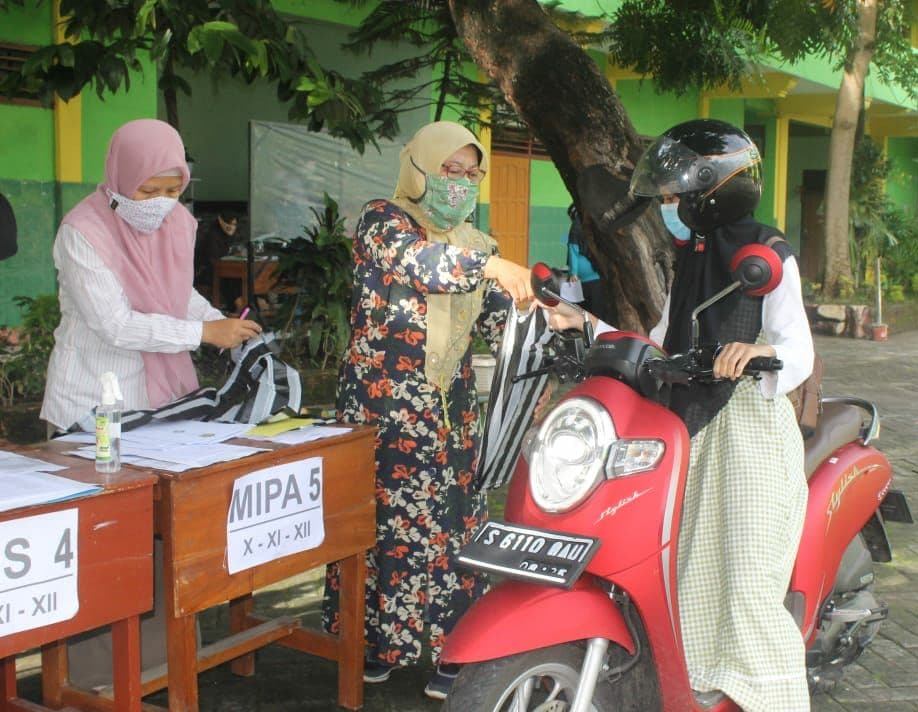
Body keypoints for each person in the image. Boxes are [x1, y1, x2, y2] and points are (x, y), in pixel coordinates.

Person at [543, 119, 814, 711]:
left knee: (745, 577)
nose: (668, 208)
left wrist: (759, 352)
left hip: (748, 428)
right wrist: (586, 326)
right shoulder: (691, 256)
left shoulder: (767, 254)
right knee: (682, 561)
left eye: (673, 197)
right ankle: (691, 678)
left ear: (711, 192)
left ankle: (772, 695)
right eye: (665, 198)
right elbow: (662, 342)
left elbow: (798, 351)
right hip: (687, 423)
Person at [321, 120, 533, 700]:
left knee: (452, 526)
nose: (460, 184)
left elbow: (495, 318)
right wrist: (491, 267)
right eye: (449, 170)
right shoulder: (382, 221)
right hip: (382, 408)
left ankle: (450, 651)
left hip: (449, 408)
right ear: (419, 168)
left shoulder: (473, 242)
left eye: (471, 174)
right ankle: (375, 646)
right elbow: (421, 264)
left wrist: (550, 318)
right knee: (380, 525)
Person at [40, 119, 261, 436]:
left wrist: (223, 325)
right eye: (148, 190)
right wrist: (204, 332)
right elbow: (115, 324)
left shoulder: (177, 222)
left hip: (162, 403)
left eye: (173, 190)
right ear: (122, 176)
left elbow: (176, 292)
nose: (161, 201)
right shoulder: (83, 231)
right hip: (90, 400)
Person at [194, 210, 239, 290]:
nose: (231, 227)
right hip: (206, 272)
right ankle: (238, 301)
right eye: (229, 223)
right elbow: (213, 260)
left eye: (234, 224)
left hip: (223, 270)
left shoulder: (230, 237)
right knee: (232, 281)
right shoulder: (212, 236)